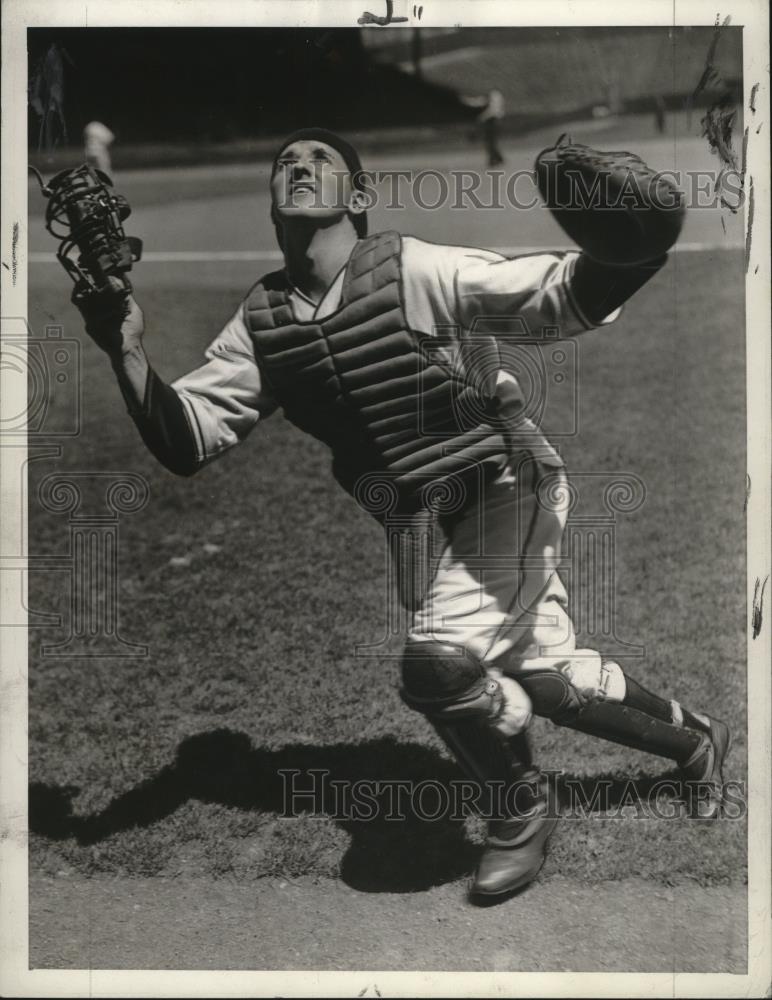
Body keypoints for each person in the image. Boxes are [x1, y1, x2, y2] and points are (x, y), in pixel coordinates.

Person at [75, 127, 731, 903]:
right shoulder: (263, 322)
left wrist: (638, 250)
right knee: (546, 677)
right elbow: (187, 440)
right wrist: (125, 351)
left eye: (321, 160)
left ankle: (520, 810)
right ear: (273, 199)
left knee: (438, 663)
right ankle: (695, 742)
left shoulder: (409, 268)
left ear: (356, 196)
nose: (298, 166)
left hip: (499, 485)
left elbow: (556, 297)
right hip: (418, 531)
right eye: (285, 160)